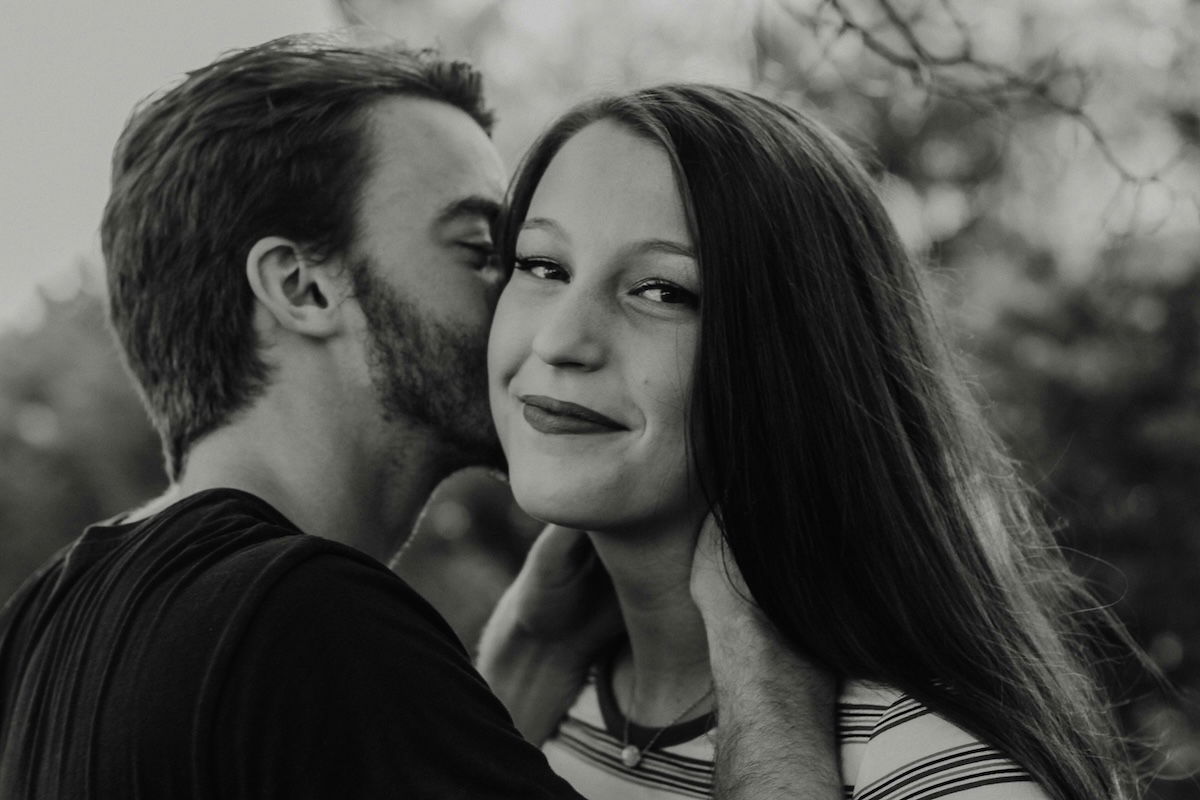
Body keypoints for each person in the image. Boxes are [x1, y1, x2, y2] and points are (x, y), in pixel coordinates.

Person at [0, 35, 841, 799]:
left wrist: (527, 660)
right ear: (305, 287)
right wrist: (767, 674)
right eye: (483, 253)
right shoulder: (309, 623)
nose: (533, 312)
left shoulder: (39, 625)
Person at [486, 84, 1142, 800]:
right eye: (543, 267)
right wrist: (521, 661)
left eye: (663, 291)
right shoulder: (545, 705)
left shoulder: (940, 769)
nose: (559, 340)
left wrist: (761, 680)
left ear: (798, 359)